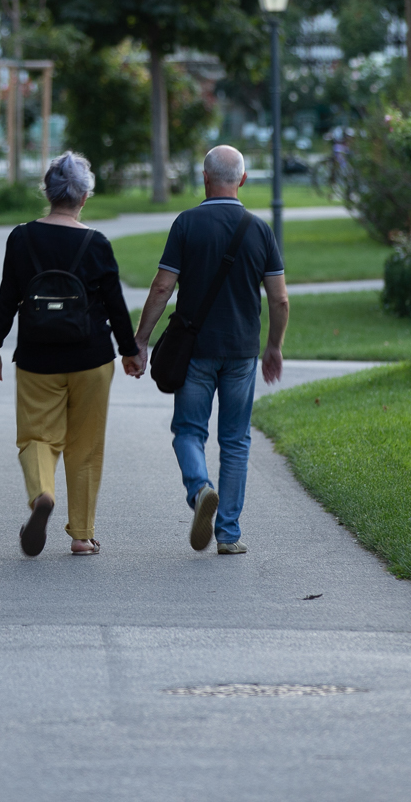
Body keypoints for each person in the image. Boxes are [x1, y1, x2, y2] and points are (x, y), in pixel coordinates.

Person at [133, 145, 290, 555]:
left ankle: (200, 487)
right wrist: (274, 346)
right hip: (241, 351)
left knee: (188, 431)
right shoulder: (259, 230)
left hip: (195, 351)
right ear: (242, 180)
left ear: (204, 177)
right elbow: (280, 300)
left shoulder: (186, 223)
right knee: (236, 440)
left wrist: (141, 340)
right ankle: (229, 534)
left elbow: (163, 287)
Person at [0, 151, 140, 556]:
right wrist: (130, 351)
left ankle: (42, 496)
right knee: (85, 447)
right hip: (92, 358)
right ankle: (82, 535)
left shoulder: (20, 238)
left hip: (37, 358)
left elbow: (7, 299)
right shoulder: (96, 242)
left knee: (38, 437)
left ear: (47, 193)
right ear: (84, 197)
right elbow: (116, 305)